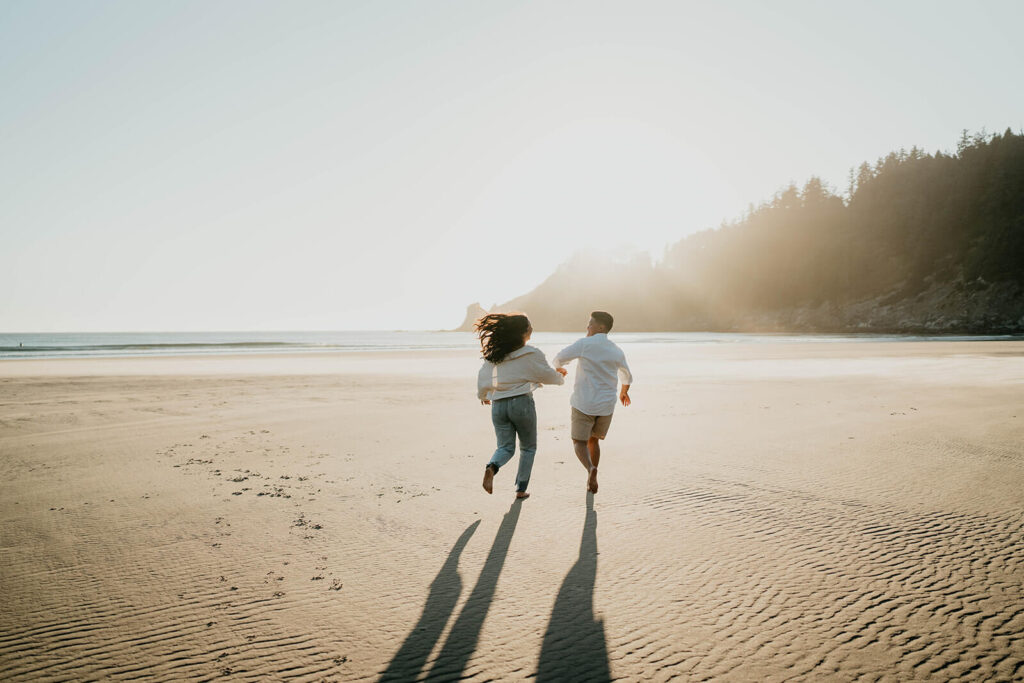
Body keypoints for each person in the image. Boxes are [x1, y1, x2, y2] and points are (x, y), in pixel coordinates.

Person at [475, 313, 566, 499]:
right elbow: (547, 376)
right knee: (528, 447)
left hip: (498, 405)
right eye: (529, 325)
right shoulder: (531, 353)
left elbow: (483, 377)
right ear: (523, 332)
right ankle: (520, 489)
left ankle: (492, 467)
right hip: (521, 403)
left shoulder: (495, 355)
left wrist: (483, 395)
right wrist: (560, 376)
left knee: (505, 447)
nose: (532, 328)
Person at [553, 311, 632, 494]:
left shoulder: (584, 344)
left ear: (601, 327)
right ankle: (591, 478)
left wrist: (560, 368)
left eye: (590, 323)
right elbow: (626, 375)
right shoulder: (616, 350)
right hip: (606, 406)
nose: (587, 327)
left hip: (584, 402)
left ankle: (590, 469)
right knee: (594, 440)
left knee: (578, 442)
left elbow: (559, 358)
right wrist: (623, 392)